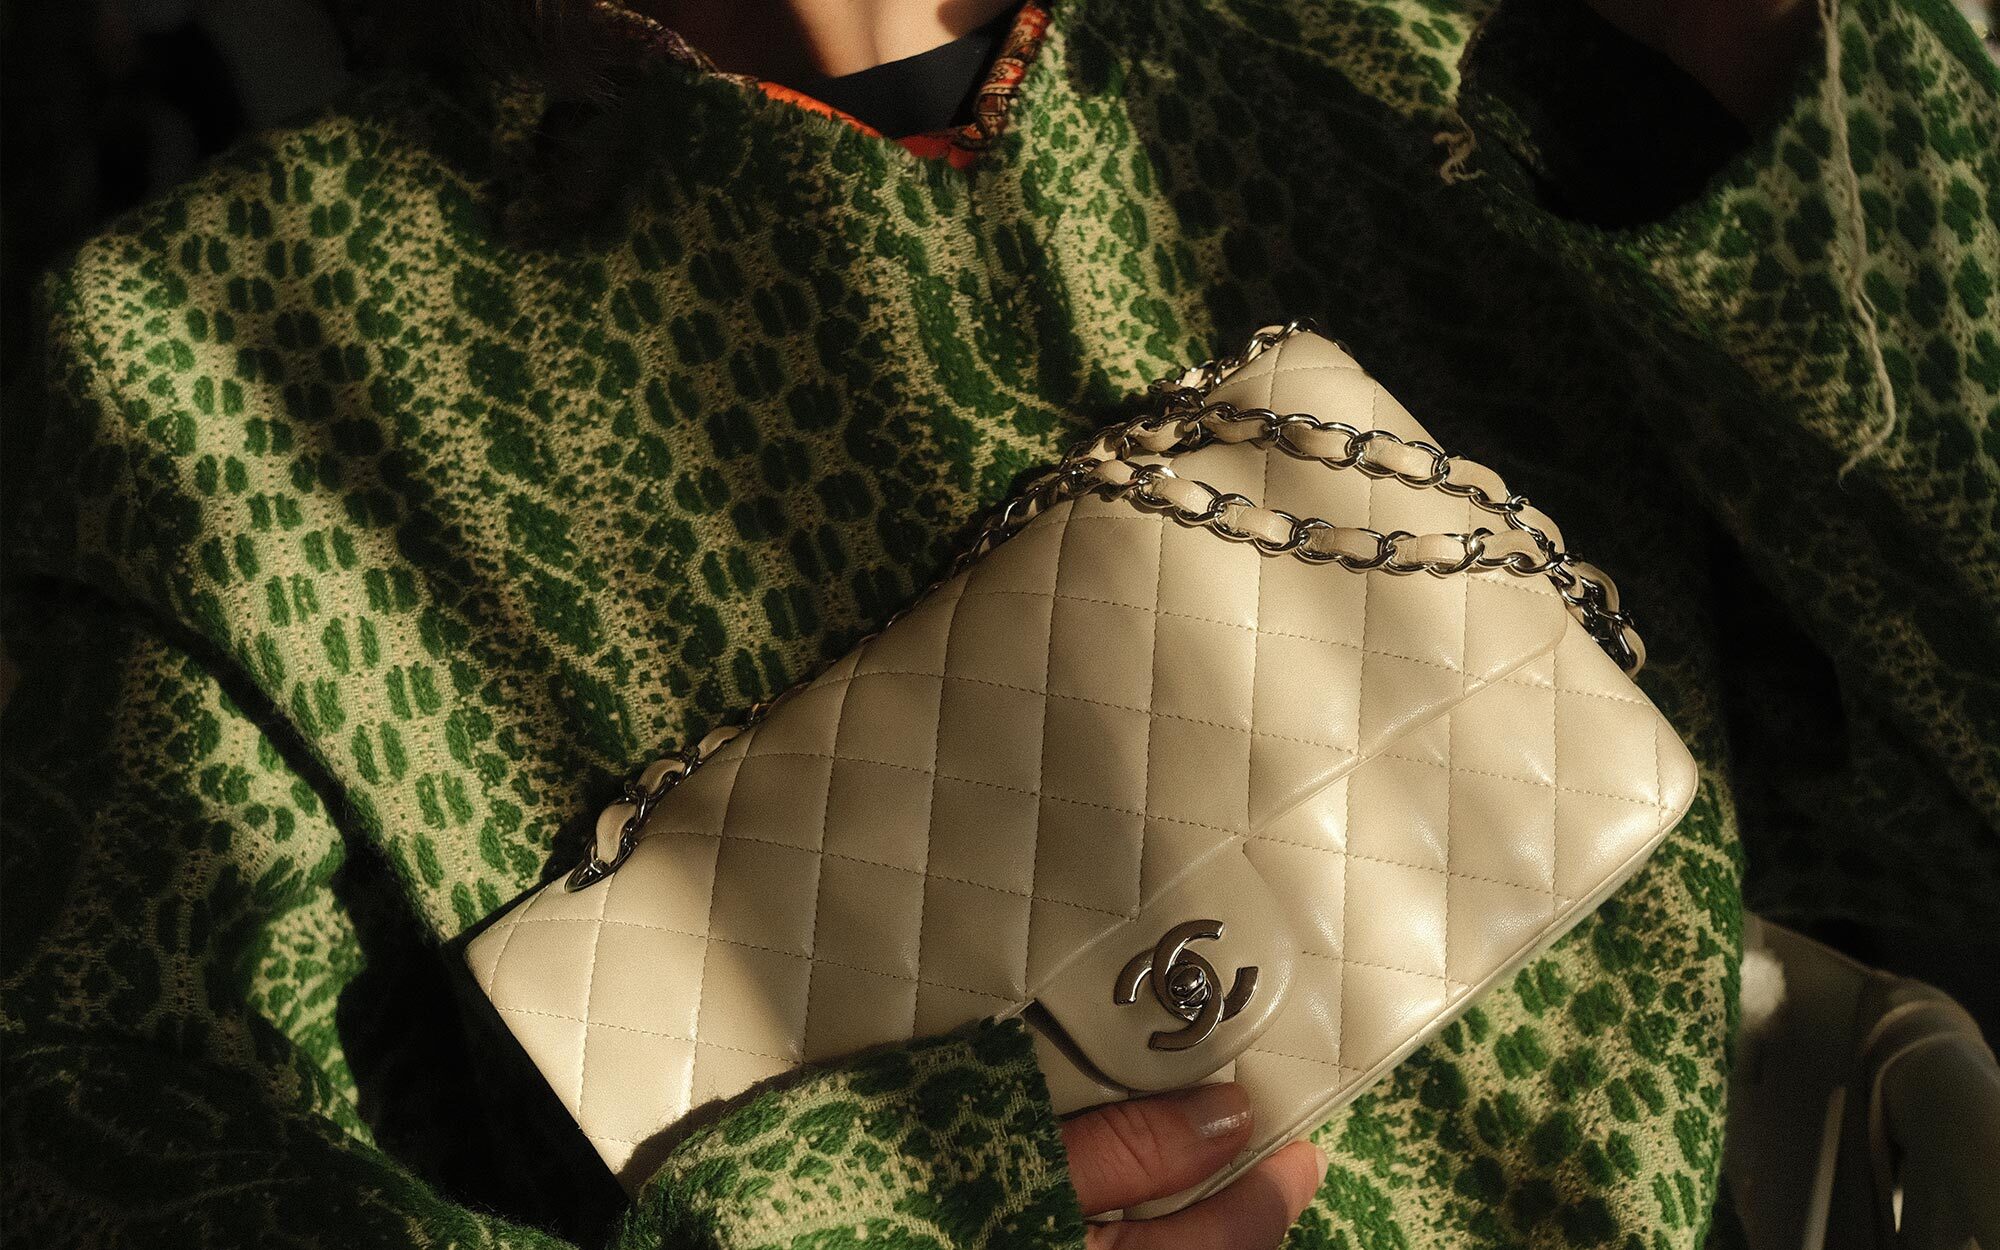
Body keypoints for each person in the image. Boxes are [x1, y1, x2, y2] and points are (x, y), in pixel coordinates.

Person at [2, 0, 1995, 1247]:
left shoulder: (1453, 62)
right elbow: (109, 1145)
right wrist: (845, 1204)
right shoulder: (208, 371)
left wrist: (1758, 73)